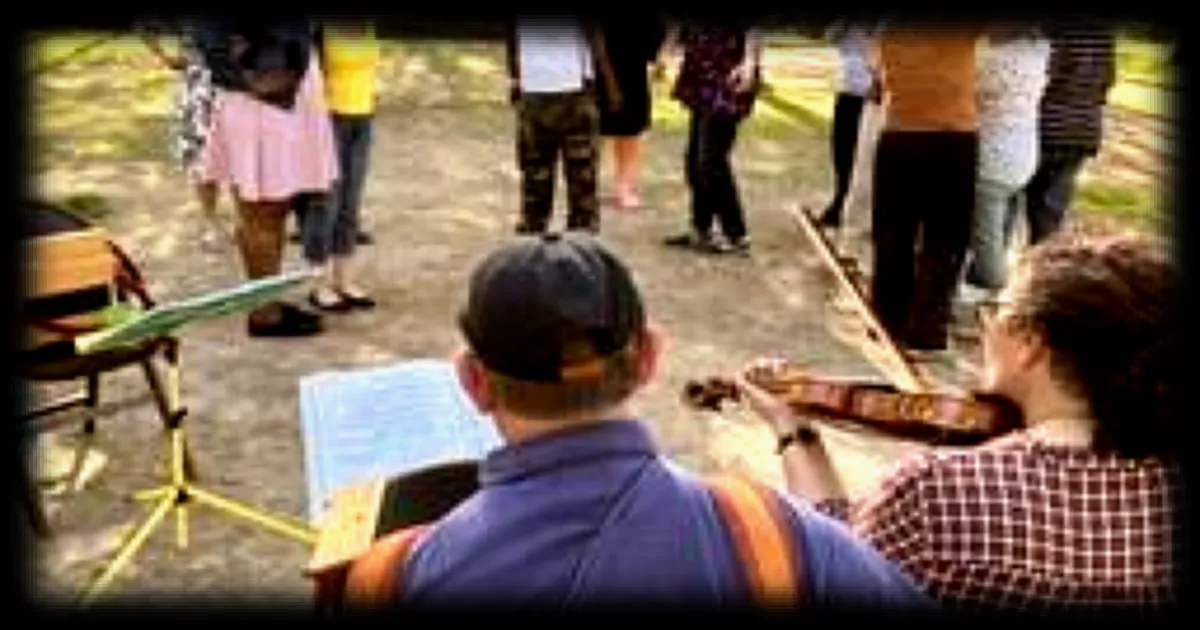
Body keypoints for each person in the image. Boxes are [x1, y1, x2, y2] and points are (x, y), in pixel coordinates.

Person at [346, 232, 936, 610]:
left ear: (472, 382)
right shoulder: (772, 537)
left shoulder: (397, 577)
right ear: (650, 358)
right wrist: (792, 431)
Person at [738, 232, 1183, 614]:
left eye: (995, 311)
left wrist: (792, 430)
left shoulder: (937, 493)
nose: (986, 325)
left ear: (1031, 342)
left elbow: (833, 573)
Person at [193, 19, 340, 337]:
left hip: (288, 91)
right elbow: (212, 39)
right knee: (261, 213)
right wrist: (260, 79)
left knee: (272, 212)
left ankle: (266, 302)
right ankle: (264, 314)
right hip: (261, 95)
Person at [869, 22, 982, 357]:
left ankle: (895, 322)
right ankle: (920, 327)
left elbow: (875, 71)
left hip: (911, 132)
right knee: (942, 236)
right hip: (946, 134)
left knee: (897, 234)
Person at [958, 22, 1052, 319]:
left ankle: (1002, 292)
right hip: (1024, 152)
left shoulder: (997, 61)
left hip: (994, 157)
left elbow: (966, 95)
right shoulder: (1040, 52)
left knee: (985, 237)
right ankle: (987, 285)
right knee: (1003, 227)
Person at [506, 14, 622, 234]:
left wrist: (516, 76)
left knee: (535, 178)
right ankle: (581, 244)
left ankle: (532, 241)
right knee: (582, 179)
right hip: (574, 88)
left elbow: (512, 33)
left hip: (534, 87)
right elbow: (594, 35)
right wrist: (611, 85)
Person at [296, 20, 380, 312]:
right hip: (328, 119)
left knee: (351, 202)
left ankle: (343, 280)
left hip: (363, 118)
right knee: (325, 202)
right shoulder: (320, 28)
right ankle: (317, 286)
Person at [661, 21, 763, 256]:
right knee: (694, 161)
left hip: (728, 75)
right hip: (700, 72)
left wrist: (749, 61)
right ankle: (701, 228)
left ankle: (736, 234)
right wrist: (666, 51)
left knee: (711, 160)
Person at [1014, 18, 1117, 245]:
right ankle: (1045, 266)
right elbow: (1108, 81)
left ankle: (1022, 268)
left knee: (1018, 204)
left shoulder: (1055, 28)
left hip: (1047, 128)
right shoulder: (1104, 32)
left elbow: (1040, 78)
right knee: (1052, 208)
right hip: (1084, 130)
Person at [138, 18, 229, 251]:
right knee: (202, 161)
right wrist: (168, 58)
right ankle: (211, 224)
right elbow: (144, 26)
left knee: (246, 160)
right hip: (199, 87)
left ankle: (246, 223)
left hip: (243, 84)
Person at [594, 14, 668, 210]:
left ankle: (624, 186)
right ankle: (588, 184)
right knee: (592, 128)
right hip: (595, 62)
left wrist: (659, 54)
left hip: (632, 63)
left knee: (630, 129)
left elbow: (656, 25)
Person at [817, 19, 880, 233]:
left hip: (875, 94)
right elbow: (829, 36)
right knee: (841, 150)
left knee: (867, 155)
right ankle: (840, 198)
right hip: (847, 89)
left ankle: (866, 211)